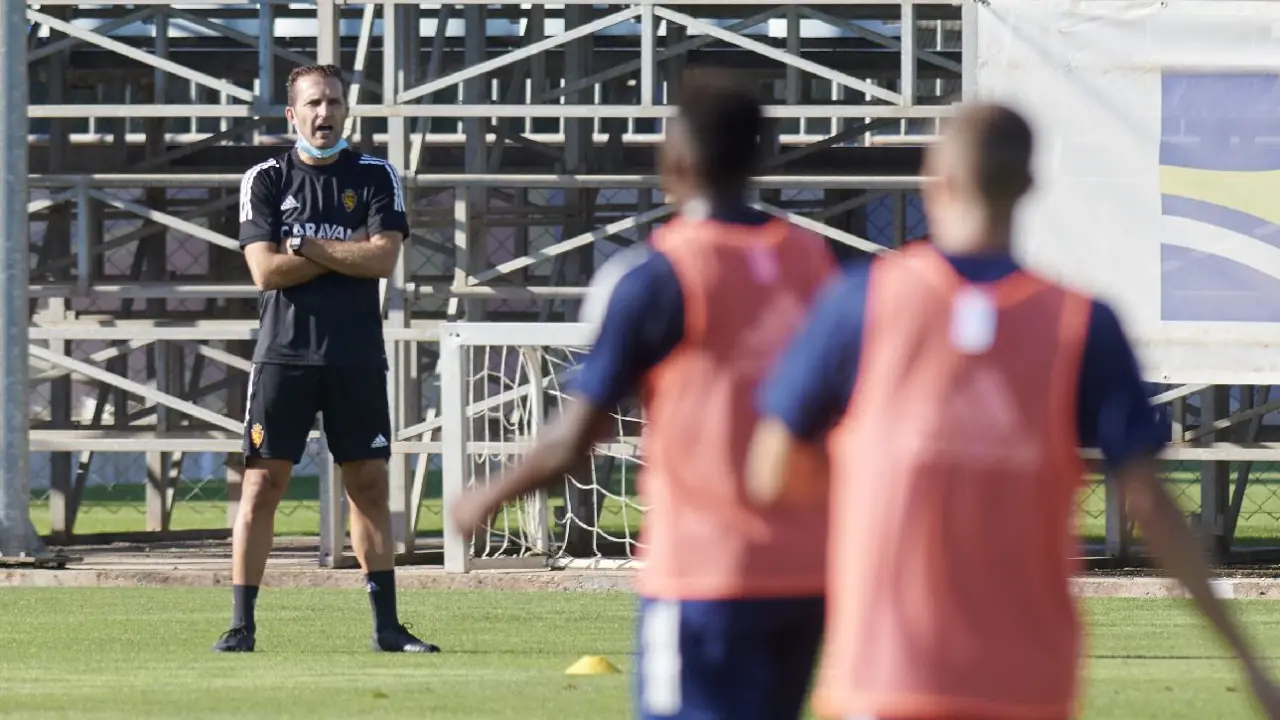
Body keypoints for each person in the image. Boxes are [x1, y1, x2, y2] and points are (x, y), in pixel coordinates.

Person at [747, 103, 1280, 720]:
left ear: (936, 179)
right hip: (1026, 683)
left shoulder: (860, 303)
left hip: (888, 673)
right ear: (1028, 184)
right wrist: (1247, 660)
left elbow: (770, 474)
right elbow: (1151, 507)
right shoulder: (1080, 325)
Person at [451, 69, 837, 719]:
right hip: (802, 573)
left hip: (703, 571)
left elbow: (576, 438)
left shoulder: (660, 273)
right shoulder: (812, 261)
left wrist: (486, 496)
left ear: (677, 157)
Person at [217, 64, 438, 654]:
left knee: (368, 484)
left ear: (346, 110)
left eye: (334, 102)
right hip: (283, 356)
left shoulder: (375, 175)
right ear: (293, 114)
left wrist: (308, 246)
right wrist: (347, 252)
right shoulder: (265, 178)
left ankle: (387, 629)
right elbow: (265, 271)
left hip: (354, 355)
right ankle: (241, 626)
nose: (325, 113)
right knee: (263, 483)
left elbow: (383, 260)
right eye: (313, 103)